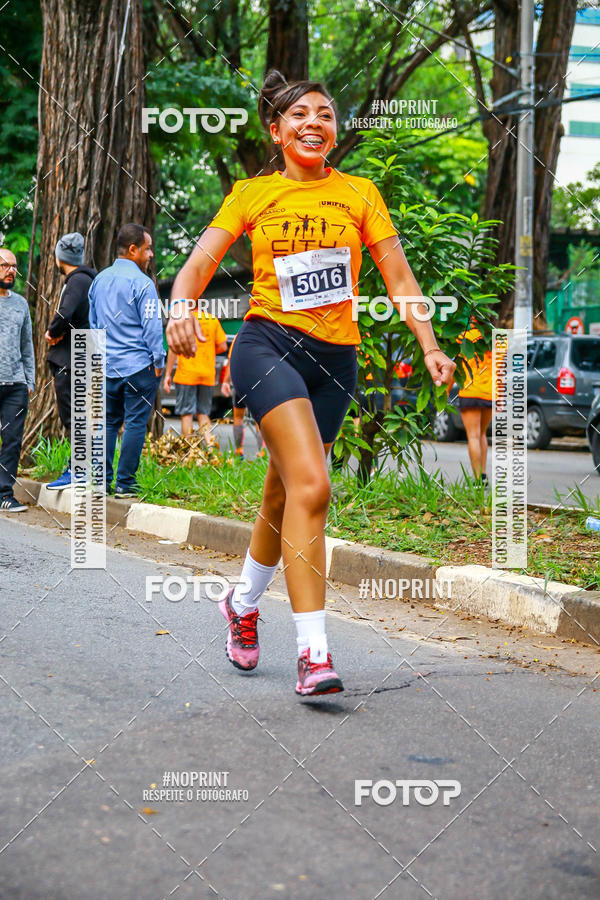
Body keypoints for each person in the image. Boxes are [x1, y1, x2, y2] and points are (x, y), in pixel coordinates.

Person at [166, 70, 455, 696]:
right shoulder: (252, 194)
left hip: (335, 362)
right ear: (277, 131)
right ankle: (314, 653)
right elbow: (197, 266)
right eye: (299, 115)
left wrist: (430, 344)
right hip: (267, 344)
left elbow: (400, 279)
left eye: (324, 114)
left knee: (282, 493)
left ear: (334, 131)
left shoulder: (359, 194)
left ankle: (242, 604)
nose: (313, 123)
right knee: (313, 485)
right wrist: (181, 307)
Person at [89, 223, 165, 499]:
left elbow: (93, 325)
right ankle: (125, 483)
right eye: (147, 249)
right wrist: (158, 360)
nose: (151, 254)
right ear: (133, 250)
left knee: (108, 422)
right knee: (134, 423)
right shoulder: (143, 284)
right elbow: (152, 328)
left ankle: (101, 481)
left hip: (107, 366)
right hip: (139, 367)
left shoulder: (99, 281)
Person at [45, 232, 96, 490]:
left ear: (60, 257)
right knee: (78, 414)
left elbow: (65, 313)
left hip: (70, 358)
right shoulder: (89, 280)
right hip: (81, 354)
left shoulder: (77, 281)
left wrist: (52, 331)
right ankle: (84, 468)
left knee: (73, 415)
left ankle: (78, 470)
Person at [0, 247, 35, 512]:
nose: (11, 270)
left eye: (13, 266)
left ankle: (4, 494)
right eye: (4, 265)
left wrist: (29, 381)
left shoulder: (21, 304)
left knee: (12, 441)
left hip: (15, 385)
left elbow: (27, 345)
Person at [163, 311, 227, 445]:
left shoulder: (182, 319)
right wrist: (208, 349)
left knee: (187, 414)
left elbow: (173, 349)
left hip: (187, 374)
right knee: (203, 414)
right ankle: (210, 447)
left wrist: (168, 374)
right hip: (207, 374)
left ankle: (189, 450)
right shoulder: (212, 319)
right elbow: (223, 346)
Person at [457, 324, 492, 482]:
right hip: (489, 393)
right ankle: (483, 475)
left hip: (470, 391)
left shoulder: (465, 335)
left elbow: (456, 366)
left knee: (473, 436)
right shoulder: (498, 339)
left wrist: (445, 390)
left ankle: (477, 479)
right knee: (482, 434)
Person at [221, 337, 265, 458]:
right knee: (258, 418)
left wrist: (225, 381)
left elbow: (231, 361)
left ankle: (239, 451)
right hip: (257, 380)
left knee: (238, 417)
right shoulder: (262, 335)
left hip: (240, 380)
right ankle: (262, 453)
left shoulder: (239, 337)